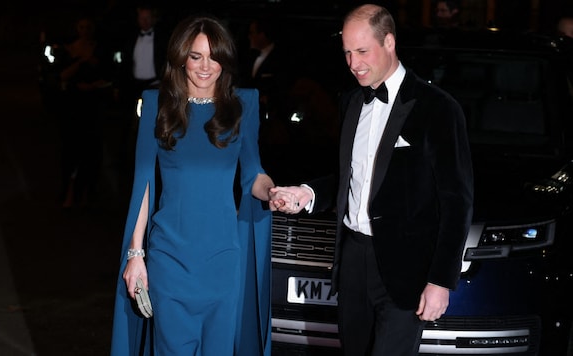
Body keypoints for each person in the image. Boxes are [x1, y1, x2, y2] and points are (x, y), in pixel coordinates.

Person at [270, 4, 473, 356]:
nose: (353, 63)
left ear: (389, 41)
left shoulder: (437, 108)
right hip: (353, 262)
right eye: (347, 53)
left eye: (362, 51)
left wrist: (441, 280)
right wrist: (308, 192)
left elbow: (457, 201)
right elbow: (353, 175)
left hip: (406, 270)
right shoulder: (351, 101)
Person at [110, 14, 276, 356]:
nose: (206, 67)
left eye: (214, 57)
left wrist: (273, 192)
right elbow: (143, 184)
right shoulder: (157, 105)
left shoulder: (243, 105)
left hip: (223, 260)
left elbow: (254, 175)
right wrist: (135, 254)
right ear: (181, 57)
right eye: (196, 56)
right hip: (170, 257)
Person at [54, 14, 113, 208]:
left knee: (92, 150)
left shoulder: (101, 49)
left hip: (93, 105)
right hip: (72, 105)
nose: (85, 31)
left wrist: (95, 83)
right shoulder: (69, 49)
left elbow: (108, 75)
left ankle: (89, 192)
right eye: (82, 27)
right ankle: (68, 192)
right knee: (71, 149)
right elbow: (61, 75)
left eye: (88, 27)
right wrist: (81, 61)